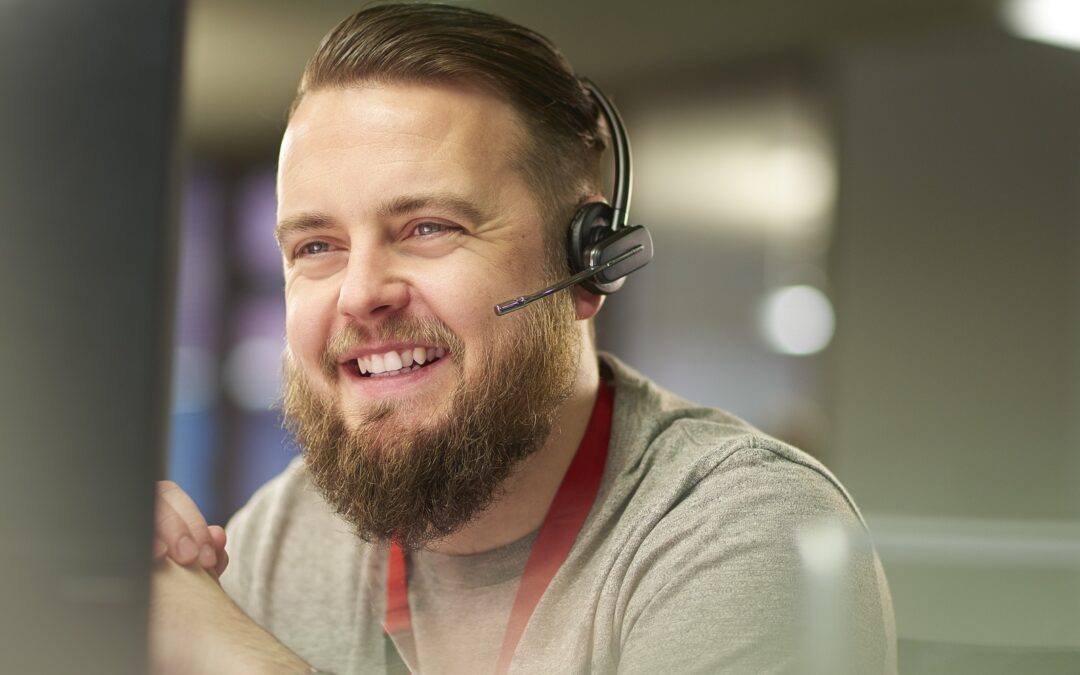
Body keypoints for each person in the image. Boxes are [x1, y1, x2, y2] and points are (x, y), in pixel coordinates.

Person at [150, 4, 897, 674]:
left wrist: (243, 662)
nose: (360, 293)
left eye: (428, 228)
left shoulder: (744, 533)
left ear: (583, 261)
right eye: (315, 246)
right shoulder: (284, 535)